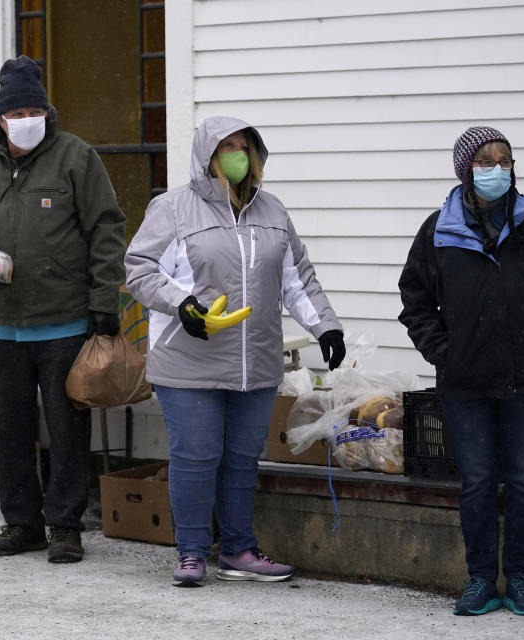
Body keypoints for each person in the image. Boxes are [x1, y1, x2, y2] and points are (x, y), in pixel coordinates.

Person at [124, 116, 346, 586]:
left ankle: (239, 550)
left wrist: (325, 327)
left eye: (243, 146)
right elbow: (140, 269)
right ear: (208, 156)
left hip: (255, 360)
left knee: (243, 459)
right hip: (188, 357)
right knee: (198, 455)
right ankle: (191, 553)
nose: (236, 154)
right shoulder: (174, 209)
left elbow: (297, 279)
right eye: (226, 146)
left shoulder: (273, 212)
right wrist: (180, 305)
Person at [0, 56, 126, 564]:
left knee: (67, 428)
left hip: (64, 321)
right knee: (11, 427)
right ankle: (21, 523)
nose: (27, 118)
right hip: (1, 324)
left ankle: (65, 526)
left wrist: (104, 300)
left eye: (34, 109)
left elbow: (107, 229)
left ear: (47, 110)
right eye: (16, 111)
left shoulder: (75, 157)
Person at [398, 126, 524, 616]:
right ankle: (480, 578)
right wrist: (444, 351)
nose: (498, 168)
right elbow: (415, 298)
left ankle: (520, 577)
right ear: (466, 169)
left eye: (505, 159)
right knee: (478, 482)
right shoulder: (440, 228)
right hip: (466, 383)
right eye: (485, 160)